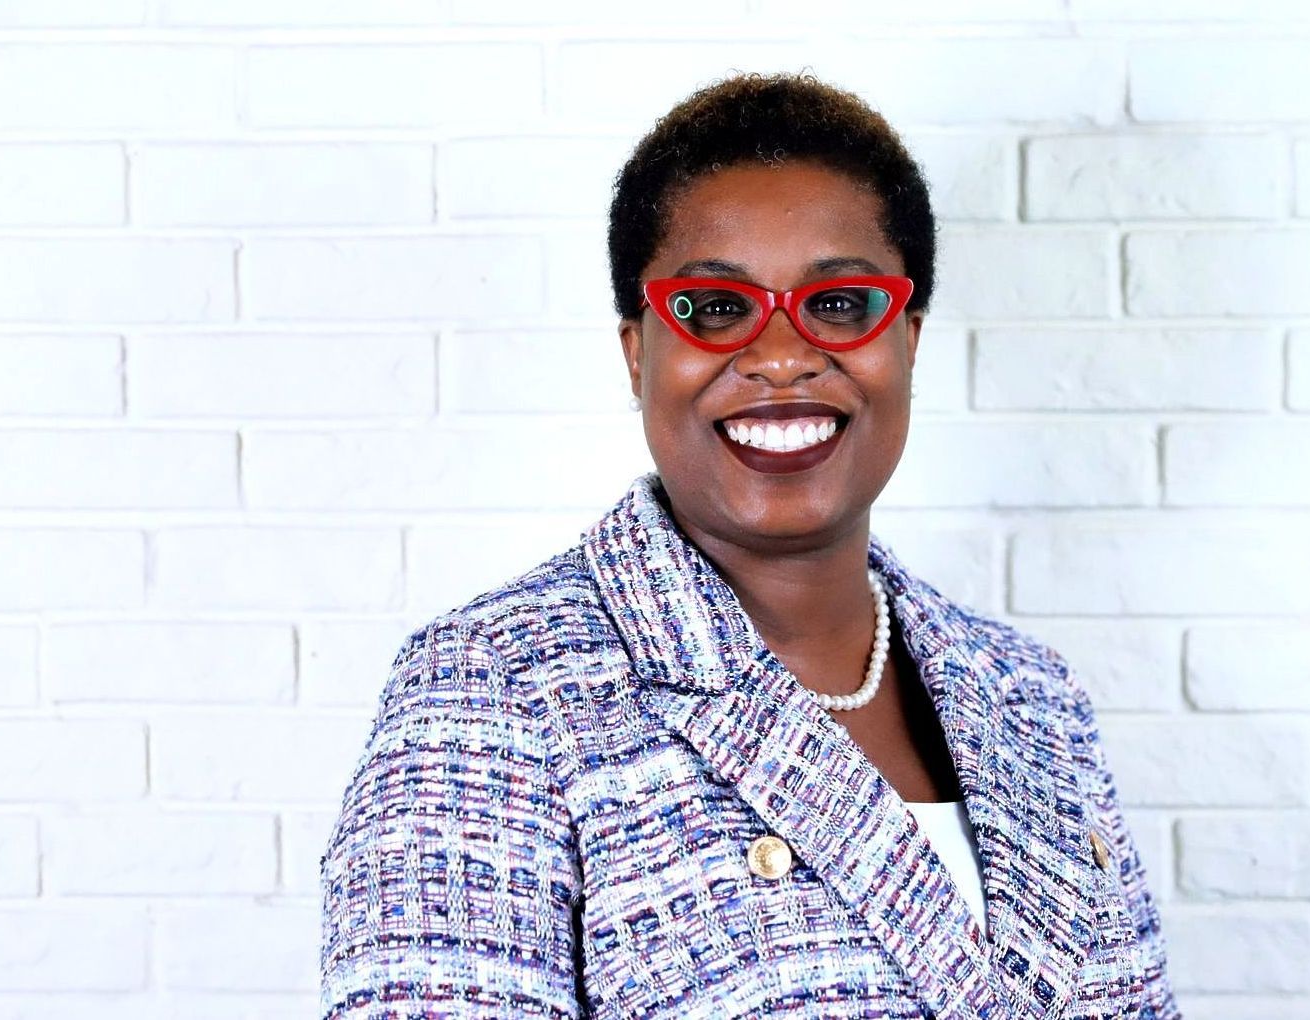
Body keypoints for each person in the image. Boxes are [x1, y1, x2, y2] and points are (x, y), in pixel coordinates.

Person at [319, 71, 1180, 1020]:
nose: (780, 356)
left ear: (909, 342)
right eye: (714, 309)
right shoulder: (494, 692)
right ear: (637, 351)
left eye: (842, 305)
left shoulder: (1029, 697)